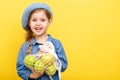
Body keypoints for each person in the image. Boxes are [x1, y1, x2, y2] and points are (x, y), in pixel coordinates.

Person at [16, 2, 68, 80]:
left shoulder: (56, 44)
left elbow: (64, 65)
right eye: (34, 20)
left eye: (43, 20)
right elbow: (20, 69)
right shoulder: (25, 46)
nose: (38, 24)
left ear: (49, 22)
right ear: (29, 23)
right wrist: (34, 75)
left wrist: (49, 59)